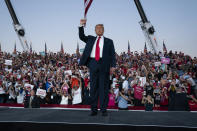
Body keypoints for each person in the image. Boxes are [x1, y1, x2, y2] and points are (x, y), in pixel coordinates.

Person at [79, 19, 116, 116]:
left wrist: (113, 66)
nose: (99, 30)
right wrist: (81, 26)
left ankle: (103, 109)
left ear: (103, 30)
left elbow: (112, 54)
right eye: (97, 28)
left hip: (104, 64)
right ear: (95, 30)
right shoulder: (90, 39)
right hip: (93, 63)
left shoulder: (109, 41)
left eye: (101, 28)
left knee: (103, 88)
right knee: (93, 88)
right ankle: (94, 109)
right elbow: (81, 36)